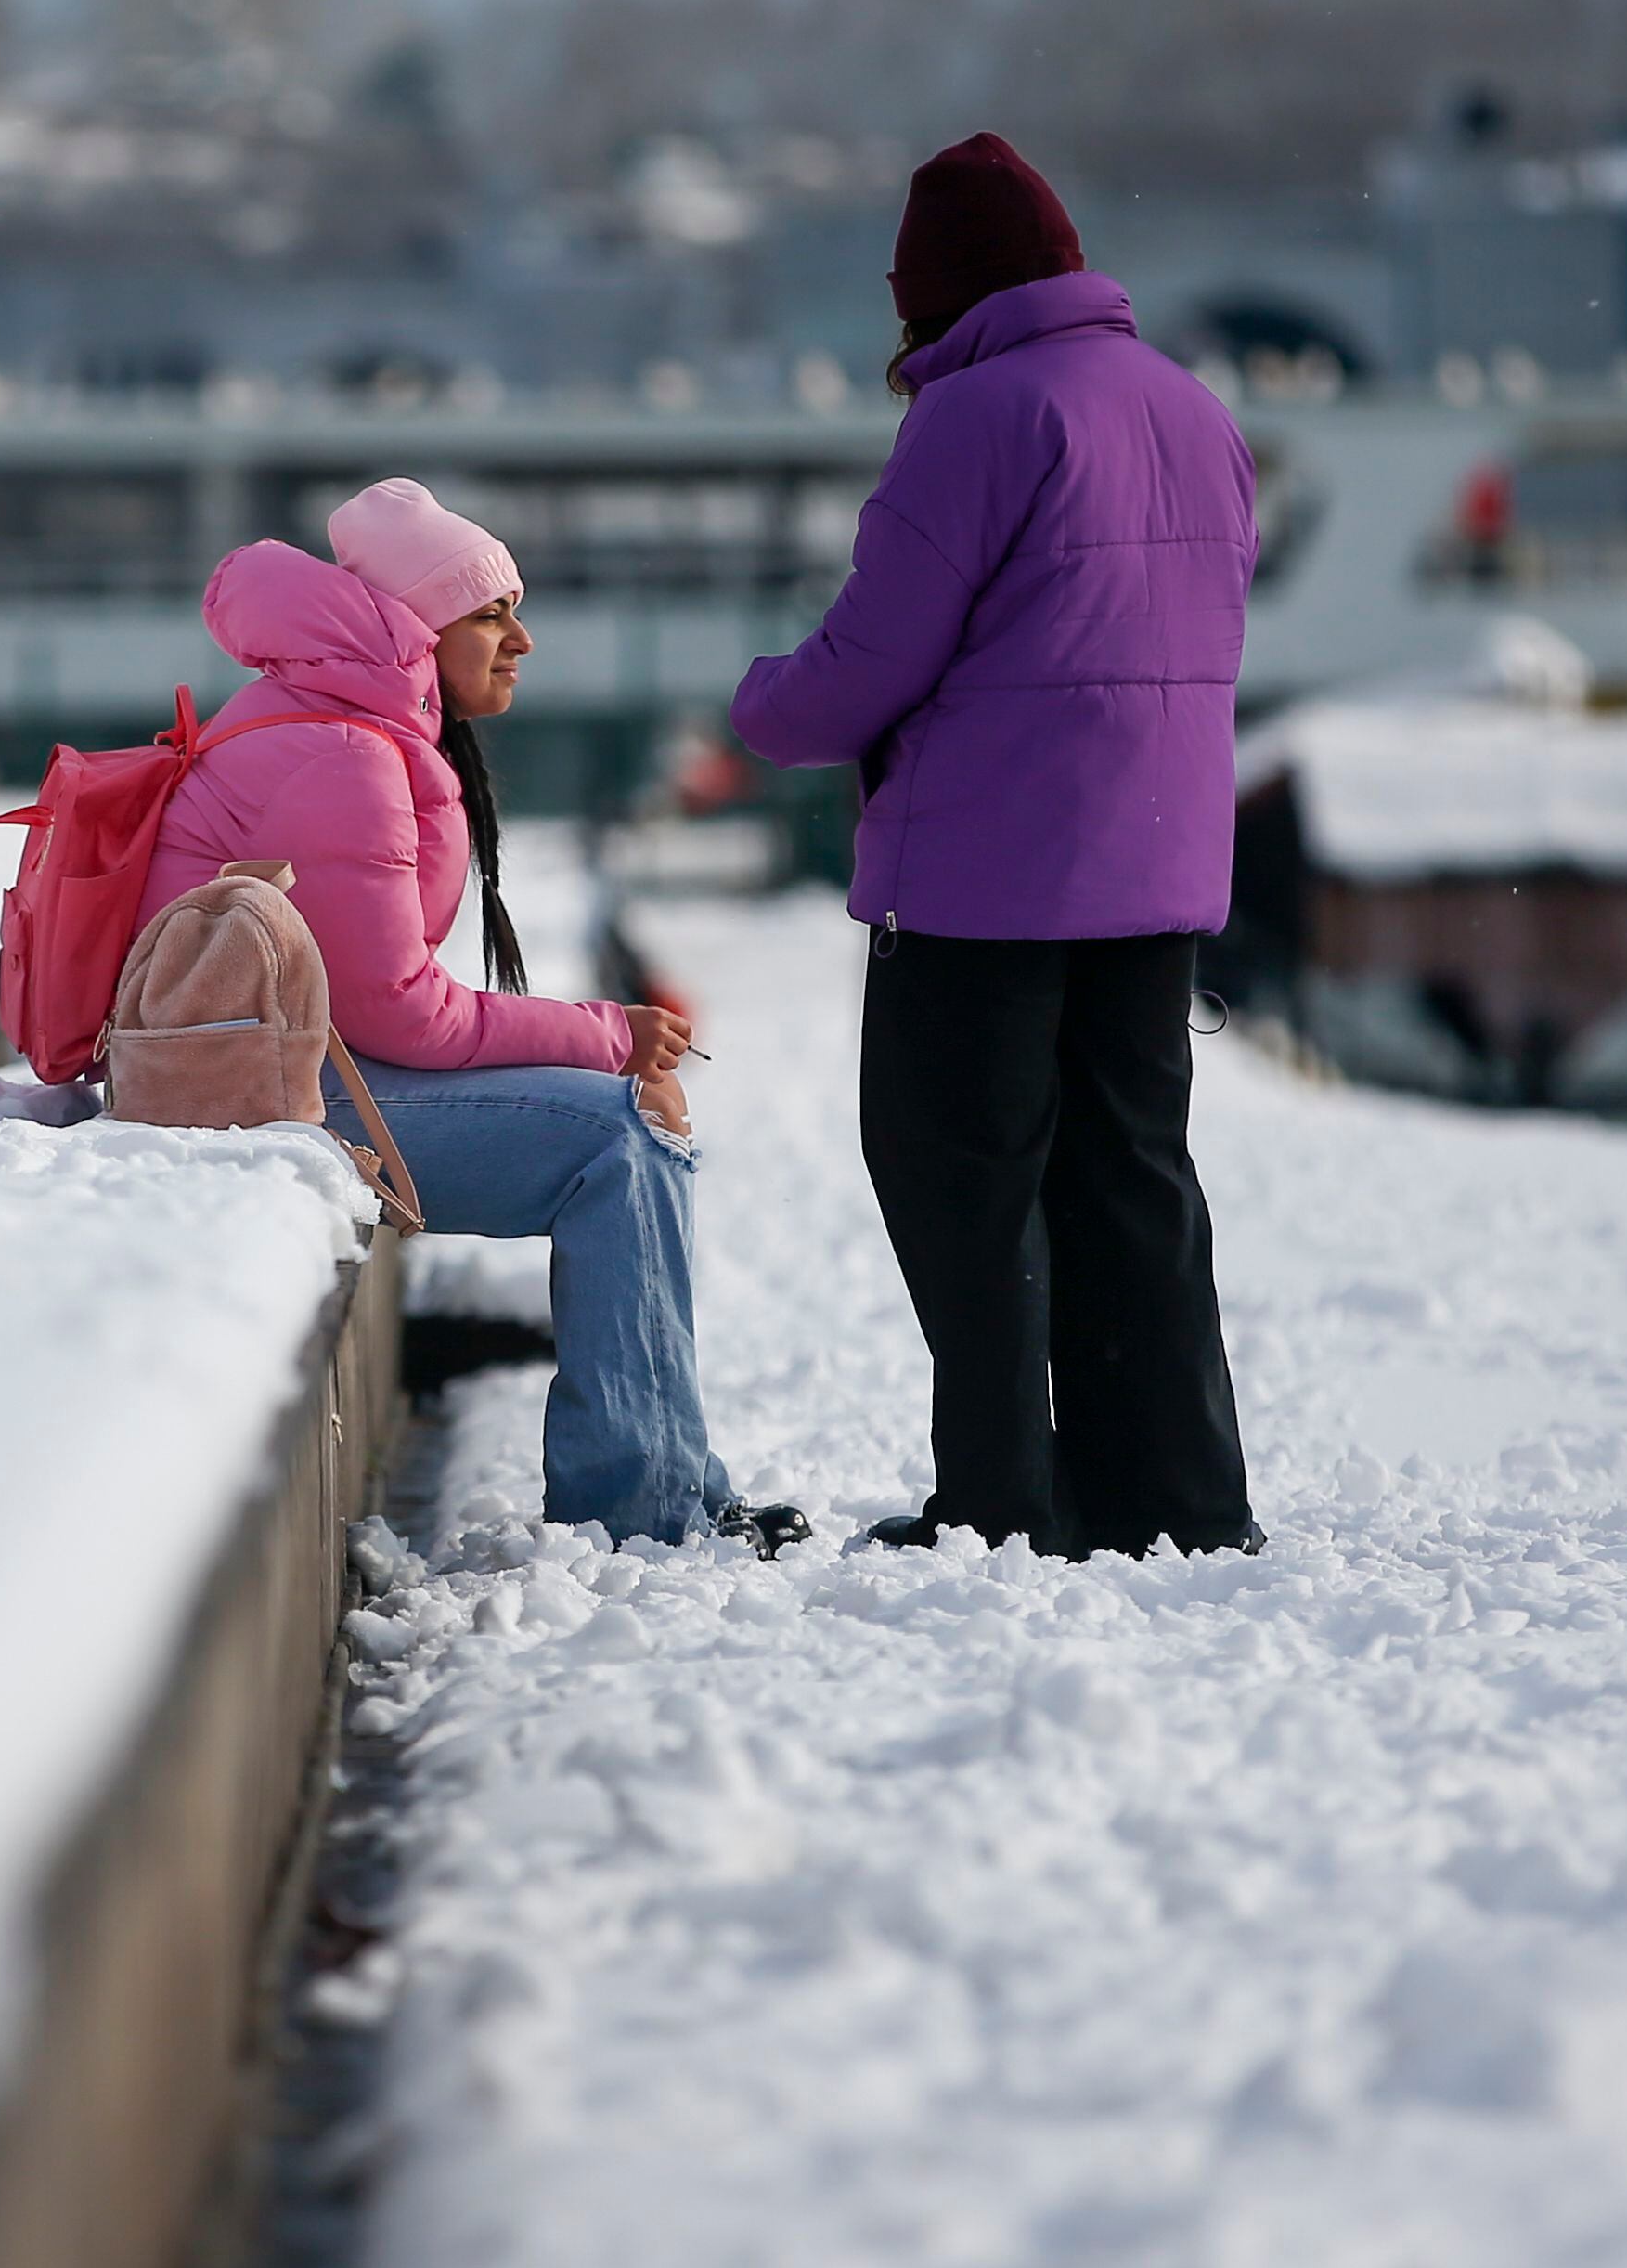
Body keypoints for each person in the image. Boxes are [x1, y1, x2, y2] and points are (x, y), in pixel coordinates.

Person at [728, 133, 1266, 1561]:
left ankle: (1000, 1501)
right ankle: (1175, 1499)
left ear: (939, 297)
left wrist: (757, 703)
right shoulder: (1195, 413)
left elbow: (867, 662)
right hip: (1156, 874)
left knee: (963, 1183)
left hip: (986, 884)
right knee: (1133, 1178)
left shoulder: (976, 417)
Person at [148, 478, 806, 1556]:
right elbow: (402, 1017)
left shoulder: (352, 723)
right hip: (253, 1094)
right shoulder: (345, 751)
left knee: (621, 1119)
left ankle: (660, 1485)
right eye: (492, 613)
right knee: (615, 1132)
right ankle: (642, 1506)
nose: (522, 640)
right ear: (416, 628)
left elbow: (378, 1007)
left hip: (273, 1071)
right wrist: (608, 1035)